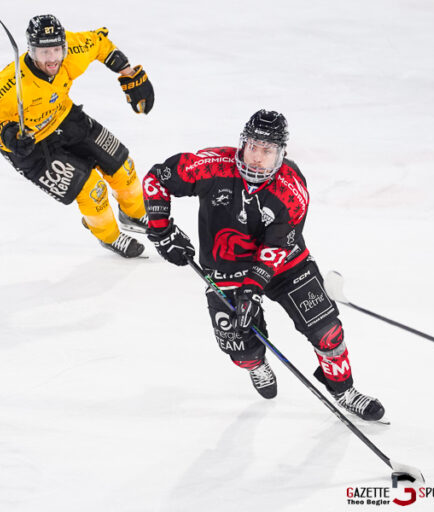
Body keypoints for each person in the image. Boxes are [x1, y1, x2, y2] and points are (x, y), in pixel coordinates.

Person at [142, 109, 385, 421]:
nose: (257, 158)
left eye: (267, 151)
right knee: (240, 347)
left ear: (280, 153)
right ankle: (255, 364)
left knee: (327, 332)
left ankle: (343, 390)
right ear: (243, 143)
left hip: (285, 265)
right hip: (226, 268)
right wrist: (161, 230)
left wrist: (253, 290)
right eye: (253, 147)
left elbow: (277, 245)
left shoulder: (291, 187)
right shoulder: (213, 166)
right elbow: (157, 178)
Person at [0, 14, 154, 258]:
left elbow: (99, 42)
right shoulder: (13, 84)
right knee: (92, 189)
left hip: (65, 118)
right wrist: (6, 136)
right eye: (44, 52)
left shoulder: (72, 49)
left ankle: (134, 213)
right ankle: (108, 236)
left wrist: (128, 74)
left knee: (123, 166)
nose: (52, 58)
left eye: (56, 49)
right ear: (31, 51)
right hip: (30, 146)